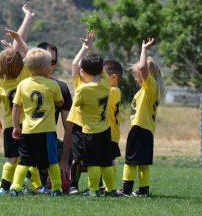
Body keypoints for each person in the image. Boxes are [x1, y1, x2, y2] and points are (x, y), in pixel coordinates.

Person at [67, 31, 117, 197]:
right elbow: (98, 69)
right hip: (105, 130)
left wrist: (85, 50)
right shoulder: (105, 83)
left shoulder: (82, 88)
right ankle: (110, 190)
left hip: (90, 131)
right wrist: (89, 48)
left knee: (93, 163)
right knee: (106, 162)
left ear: (83, 72)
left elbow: (76, 104)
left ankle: (92, 190)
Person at [0, 4, 34, 195]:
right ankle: (27, 187)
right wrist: (27, 20)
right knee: (28, 158)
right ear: (20, 65)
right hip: (26, 124)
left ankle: (3, 187)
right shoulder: (24, 75)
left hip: (9, 125)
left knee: (10, 158)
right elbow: (26, 52)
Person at [9, 48, 64, 196]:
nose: (50, 67)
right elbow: (60, 103)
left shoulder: (23, 85)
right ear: (42, 67)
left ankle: (15, 187)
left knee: (25, 162)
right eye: (49, 64)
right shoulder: (52, 85)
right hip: (46, 132)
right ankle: (57, 188)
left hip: (28, 131)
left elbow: (15, 106)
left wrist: (15, 127)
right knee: (51, 161)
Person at [119, 37, 165, 197]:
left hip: (139, 129)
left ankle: (125, 190)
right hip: (146, 130)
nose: (136, 77)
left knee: (130, 161)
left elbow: (144, 68)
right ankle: (143, 190)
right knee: (143, 162)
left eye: (137, 73)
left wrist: (144, 49)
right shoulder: (149, 90)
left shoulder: (149, 86)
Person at [98, 59, 123, 193]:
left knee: (109, 161)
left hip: (110, 133)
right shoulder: (115, 90)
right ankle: (106, 186)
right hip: (110, 133)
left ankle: (110, 187)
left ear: (113, 78)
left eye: (102, 77)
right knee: (106, 160)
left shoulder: (113, 91)